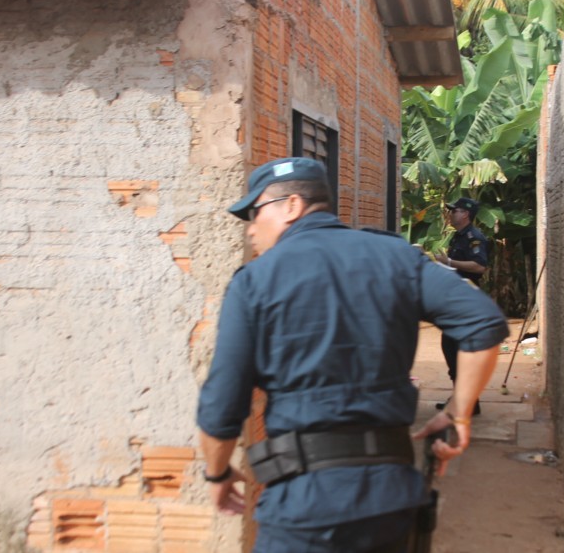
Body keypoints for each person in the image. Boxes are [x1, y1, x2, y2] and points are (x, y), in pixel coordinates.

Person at [197, 157, 507, 552]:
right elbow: (483, 322)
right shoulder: (395, 256)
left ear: (292, 206)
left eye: (255, 214)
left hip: (305, 508)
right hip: (391, 499)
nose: (251, 230)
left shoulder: (255, 281)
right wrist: (459, 412)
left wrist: (217, 473)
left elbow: (222, 404)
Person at [434, 197, 490, 416]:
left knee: (455, 348)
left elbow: (479, 266)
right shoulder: (459, 237)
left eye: (454, 211)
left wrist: (449, 262)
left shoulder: (474, 238)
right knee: (453, 348)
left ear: (465, 214)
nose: (451, 214)